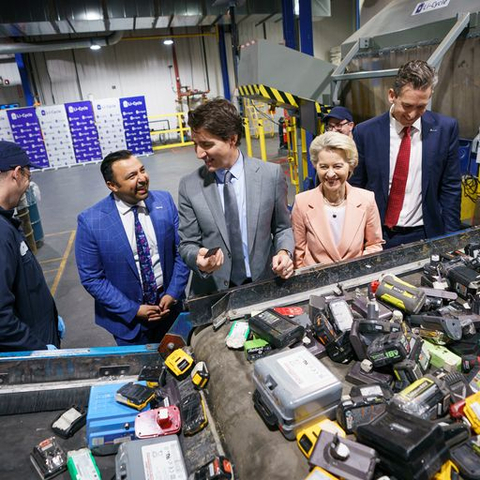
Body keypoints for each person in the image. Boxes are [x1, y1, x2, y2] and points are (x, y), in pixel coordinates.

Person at [178, 98, 294, 296]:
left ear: (232, 139)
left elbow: (282, 228)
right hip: (214, 291)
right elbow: (187, 244)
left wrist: (284, 252)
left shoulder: (270, 175)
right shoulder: (190, 185)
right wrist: (198, 259)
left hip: (263, 284)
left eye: (206, 144)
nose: (199, 153)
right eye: (195, 144)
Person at [75, 150, 189, 346]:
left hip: (171, 309)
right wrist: (133, 309)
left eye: (142, 170)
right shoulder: (91, 221)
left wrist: (173, 292)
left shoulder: (164, 202)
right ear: (112, 185)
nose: (142, 179)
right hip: (128, 322)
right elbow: (92, 278)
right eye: (131, 176)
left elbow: (182, 251)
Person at [350, 59, 461, 249]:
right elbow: (355, 188)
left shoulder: (445, 129)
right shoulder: (365, 133)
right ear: (392, 95)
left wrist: (451, 239)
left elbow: (450, 187)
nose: (412, 114)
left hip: (426, 233)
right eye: (407, 106)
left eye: (421, 107)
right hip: (378, 235)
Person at [0, 141, 61, 351]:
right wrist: (39, 351)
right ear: (17, 173)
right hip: (31, 355)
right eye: (29, 176)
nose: (28, 185)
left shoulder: (6, 222)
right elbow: (1, 319)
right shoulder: (1, 231)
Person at [292, 132, 384, 267]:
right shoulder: (302, 202)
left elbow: (374, 245)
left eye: (337, 166)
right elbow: (298, 253)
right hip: (317, 283)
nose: (330, 174)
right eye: (323, 167)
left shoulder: (366, 200)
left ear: (350, 165)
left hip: (354, 280)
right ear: (315, 166)